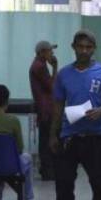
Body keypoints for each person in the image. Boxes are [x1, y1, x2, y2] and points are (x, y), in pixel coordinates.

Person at [50, 29, 101, 200]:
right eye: (81, 47)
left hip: (95, 136)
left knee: (99, 182)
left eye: (89, 47)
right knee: (64, 184)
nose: (84, 51)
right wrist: (54, 134)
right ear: (74, 47)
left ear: (94, 49)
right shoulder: (64, 75)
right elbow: (58, 106)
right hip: (70, 136)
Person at [29, 40, 58, 180]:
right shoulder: (40, 66)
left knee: (45, 139)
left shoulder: (39, 64)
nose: (52, 53)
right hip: (46, 109)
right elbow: (52, 86)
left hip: (44, 108)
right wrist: (55, 67)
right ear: (42, 52)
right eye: (49, 51)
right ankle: (48, 171)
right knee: (48, 139)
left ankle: (47, 170)